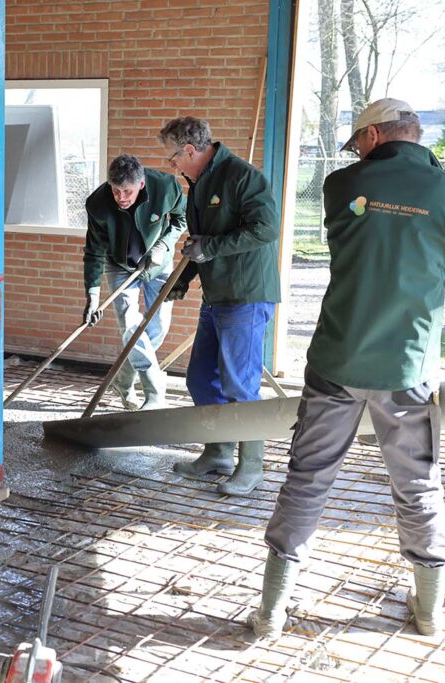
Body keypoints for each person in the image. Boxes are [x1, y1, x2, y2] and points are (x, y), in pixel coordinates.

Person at [249, 98, 445, 639]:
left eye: (358, 141)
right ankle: (429, 612)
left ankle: (269, 612)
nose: (354, 151)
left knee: (307, 479)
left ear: (376, 137)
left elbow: (370, 224)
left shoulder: (341, 188)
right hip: (407, 367)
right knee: (419, 486)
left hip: (336, 362)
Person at [158, 116, 281, 496]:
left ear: (189, 150)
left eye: (173, 157)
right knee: (200, 378)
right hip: (216, 297)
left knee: (240, 385)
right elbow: (200, 243)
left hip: (245, 296)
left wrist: (208, 247)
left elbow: (266, 229)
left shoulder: (241, 177)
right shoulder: (198, 185)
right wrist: (182, 280)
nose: (172, 164)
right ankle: (218, 453)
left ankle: (252, 466)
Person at [83, 154, 188, 410]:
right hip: (119, 266)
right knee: (131, 327)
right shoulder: (98, 204)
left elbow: (181, 219)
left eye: (127, 191)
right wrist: (93, 296)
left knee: (157, 330)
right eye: (116, 190)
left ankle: (123, 381)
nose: (121, 197)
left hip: (159, 264)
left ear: (141, 184)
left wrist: (163, 246)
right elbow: (94, 251)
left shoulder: (166, 187)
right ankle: (154, 393)